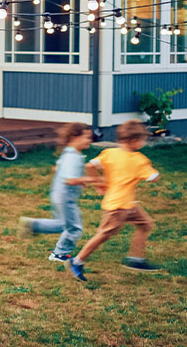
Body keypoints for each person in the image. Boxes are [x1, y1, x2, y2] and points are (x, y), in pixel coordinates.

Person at [68, 120, 161, 282]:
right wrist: (153, 174)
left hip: (128, 204)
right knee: (103, 234)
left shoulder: (109, 153)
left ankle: (136, 259)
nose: (144, 143)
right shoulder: (139, 160)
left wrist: (98, 184)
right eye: (143, 140)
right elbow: (153, 177)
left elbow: (90, 166)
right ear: (133, 141)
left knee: (145, 224)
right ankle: (76, 261)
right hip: (118, 207)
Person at [18, 123, 95, 263]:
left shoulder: (69, 153)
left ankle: (33, 225)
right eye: (87, 137)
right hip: (66, 197)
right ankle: (60, 253)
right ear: (74, 137)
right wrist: (89, 179)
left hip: (59, 194)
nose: (89, 140)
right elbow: (70, 179)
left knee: (62, 224)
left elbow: (57, 169)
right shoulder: (73, 156)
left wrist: (79, 180)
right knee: (74, 228)